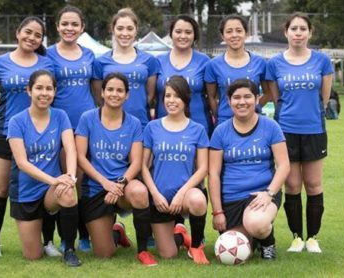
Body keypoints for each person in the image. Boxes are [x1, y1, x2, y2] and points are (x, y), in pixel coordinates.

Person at [0, 16, 53, 258]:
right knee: (0, 187)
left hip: (40, 136)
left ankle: (49, 242)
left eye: (37, 35)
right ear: (17, 33)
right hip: (5, 133)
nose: (31, 37)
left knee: (43, 185)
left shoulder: (47, 63)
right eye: (28, 32)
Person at [266, 12, 334, 253]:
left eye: (302, 28)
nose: (298, 32)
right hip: (285, 132)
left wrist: (313, 113)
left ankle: (313, 237)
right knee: (293, 186)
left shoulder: (322, 61)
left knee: (314, 184)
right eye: (293, 28)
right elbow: (276, 98)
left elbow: (324, 98)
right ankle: (296, 237)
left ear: (309, 33)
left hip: (314, 129)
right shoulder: (274, 63)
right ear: (286, 32)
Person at [75, 73, 156, 266]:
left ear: (127, 95)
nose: (114, 94)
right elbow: (80, 157)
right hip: (97, 189)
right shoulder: (88, 118)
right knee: (104, 253)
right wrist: (105, 183)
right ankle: (116, 233)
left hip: (123, 187)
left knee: (139, 191)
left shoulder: (134, 123)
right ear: (102, 92)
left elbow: (136, 162)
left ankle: (143, 250)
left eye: (120, 90)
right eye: (110, 89)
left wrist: (119, 184)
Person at [209, 79, 290, 260]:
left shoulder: (271, 127)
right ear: (229, 101)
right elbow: (213, 174)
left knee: (256, 224)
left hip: (261, 194)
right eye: (236, 97)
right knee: (235, 250)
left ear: (257, 98)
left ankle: (268, 243)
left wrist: (269, 193)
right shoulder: (221, 131)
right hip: (231, 199)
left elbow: (284, 165)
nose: (242, 102)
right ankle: (256, 240)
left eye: (247, 96)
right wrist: (217, 212)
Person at [6, 70, 80, 265]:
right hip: (26, 191)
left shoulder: (60, 115)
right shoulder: (16, 121)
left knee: (67, 192)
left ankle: (70, 250)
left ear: (55, 91)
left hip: (50, 189)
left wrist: (70, 178)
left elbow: (71, 149)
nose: (44, 93)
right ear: (29, 90)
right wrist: (55, 180)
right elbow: (22, 163)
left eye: (49, 88)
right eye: (39, 88)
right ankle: (44, 239)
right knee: (33, 255)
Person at [142, 76, 210, 265]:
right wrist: (155, 195)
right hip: (160, 199)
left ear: (186, 99)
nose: (171, 100)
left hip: (186, 196)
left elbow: (203, 168)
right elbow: (143, 166)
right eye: (168, 95)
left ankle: (196, 247)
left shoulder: (197, 129)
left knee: (198, 199)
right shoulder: (152, 127)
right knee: (168, 254)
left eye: (177, 96)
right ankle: (180, 235)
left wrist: (182, 193)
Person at [46, 4, 95, 254]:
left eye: (75, 24)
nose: (69, 28)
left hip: (85, 128)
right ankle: (65, 239)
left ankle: (85, 235)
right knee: (65, 183)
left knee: (83, 183)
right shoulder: (48, 55)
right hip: (61, 129)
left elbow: (96, 92)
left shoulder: (89, 55)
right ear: (57, 26)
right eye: (65, 23)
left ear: (82, 27)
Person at [92, 8, 159, 129]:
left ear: (136, 30)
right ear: (112, 30)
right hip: (109, 124)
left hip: (141, 123)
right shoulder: (100, 62)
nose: (125, 33)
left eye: (130, 28)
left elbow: (149, 96)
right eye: (120, 28)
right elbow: (99, 97)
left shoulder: (150, 61)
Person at [205, 15, 270, 127]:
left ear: (246, 34)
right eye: (229, 31)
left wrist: (255, 107)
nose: (234, 35)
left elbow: (268, 92)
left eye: (239, 31)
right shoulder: (213, 65)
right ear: (222, 36)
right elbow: (211, 96)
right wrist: (220, 114)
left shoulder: (260, 62)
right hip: (225, 122)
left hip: (253, 122)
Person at [156, 15, 212, 135]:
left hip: (198, 126)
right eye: (178, 31)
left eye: (188, 32)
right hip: (163, 128)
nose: (183, 36)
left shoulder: (205, 61)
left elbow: (213, 95)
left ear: (194, 35)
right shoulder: (158, 61)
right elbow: (151, 95)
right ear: (171, 34)